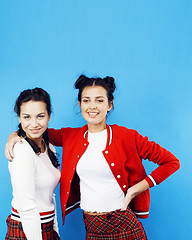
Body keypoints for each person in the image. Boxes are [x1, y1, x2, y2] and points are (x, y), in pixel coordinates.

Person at [5, 76, 180, 240]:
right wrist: (13, 135)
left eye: (99, 100)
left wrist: (135, 189)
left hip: (121, 222)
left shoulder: (128, 137)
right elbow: (35, 130)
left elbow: (172, 162)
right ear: (80, 104)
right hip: (91, 225)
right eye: (86, 100)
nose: (92, 106)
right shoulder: (70, 136)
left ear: (109, 105)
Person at [5, 88, 61, 240]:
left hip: (47, 226)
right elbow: (27, 207)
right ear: (19, 118)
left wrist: (55, 229)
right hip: (26, 229)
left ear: (49, 116)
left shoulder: (48, 145)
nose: (34, 123)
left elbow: (48, 196)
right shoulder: (22, 150)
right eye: (27, 117)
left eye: (40, 116)